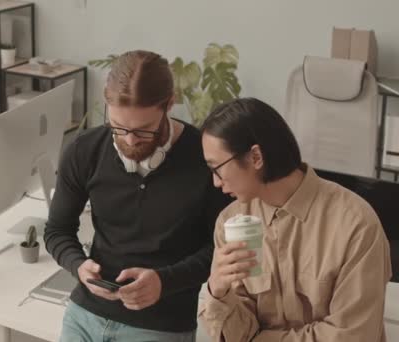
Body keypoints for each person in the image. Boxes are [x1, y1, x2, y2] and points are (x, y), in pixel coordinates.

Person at [44, 50, 230, 341]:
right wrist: (77, 265)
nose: (130, 141)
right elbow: (57, 230)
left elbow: (222, 249)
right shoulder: (84, 151)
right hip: (86, 312)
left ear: (169, 105)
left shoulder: (205, 159)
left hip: (161, 323)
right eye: (119, 127)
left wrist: (164, 282)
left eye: (144, 130)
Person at [198, 97, 392, 341]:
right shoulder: (231, 222)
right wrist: (217, 290)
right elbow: (235, 335)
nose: (216, 182)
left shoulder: (355, 224)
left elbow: (352, 336)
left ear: (256, 157)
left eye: (217, 168)